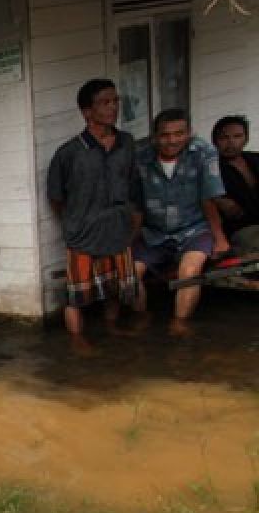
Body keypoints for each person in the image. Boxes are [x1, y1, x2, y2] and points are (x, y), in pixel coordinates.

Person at [46, 78, 139, 348]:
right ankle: (77, 344)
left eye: (115, 101)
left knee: (116, 291)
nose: (113, 108)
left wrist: (131, 220)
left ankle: (111, 329)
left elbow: (133, 184)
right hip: (83, 234)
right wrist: (77, 220)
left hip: (118, 230)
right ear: (87, 112)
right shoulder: (69, 153)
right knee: (77, 296)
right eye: (105, 102)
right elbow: (56, 197)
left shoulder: (126, 143)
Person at [130, 109, 228, 336]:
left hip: (194, 228)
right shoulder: (141, 157)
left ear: (189, 133)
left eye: (179, 133)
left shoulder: (203, 153)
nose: (172, 140)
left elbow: (208, 198)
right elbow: (136, 204)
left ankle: (179, 324)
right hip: (154, 231)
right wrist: (131, 238)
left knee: (189, 270)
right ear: (155, 136)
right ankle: (142, 316)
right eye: (165, 135)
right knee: (130, 274)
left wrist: (220, 237)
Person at [211, 115, 259, 253]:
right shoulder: (210, 169)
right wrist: (217, 200)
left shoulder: (255, 159)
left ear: (246, 138)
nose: (231, 142)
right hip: (241, 229)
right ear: (215, 141)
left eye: (237, 136)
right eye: (224, 138)